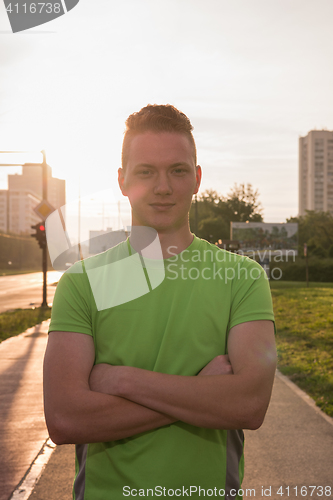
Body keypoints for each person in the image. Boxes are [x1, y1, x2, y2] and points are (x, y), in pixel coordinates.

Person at [44, 104, 276, 500]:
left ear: (197, 178)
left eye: (178, 170)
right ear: (123, 181)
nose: (163, 186)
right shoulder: (82, 282)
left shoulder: (242, 277)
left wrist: (123, 381)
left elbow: (249, 405)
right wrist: (200, 394)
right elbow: (65, 419)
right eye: (146, 172)